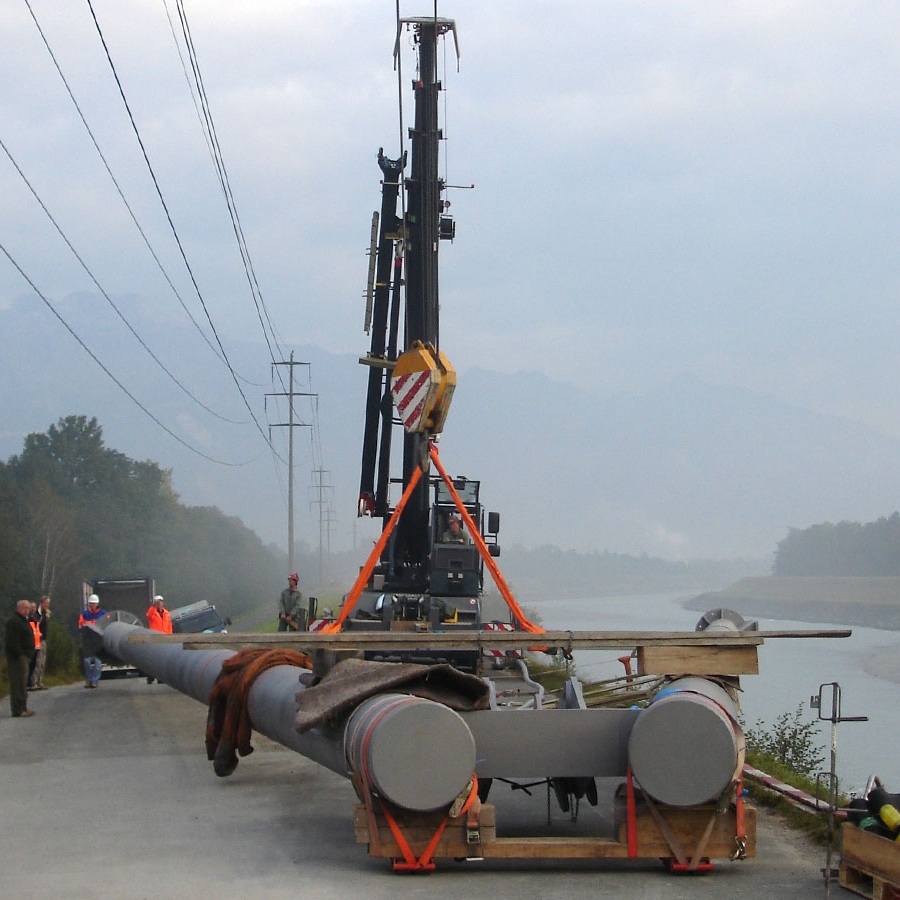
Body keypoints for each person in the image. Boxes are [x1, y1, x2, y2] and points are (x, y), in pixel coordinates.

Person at [4, 600, 37, 717]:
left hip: (24, 656)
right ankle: (18, 709)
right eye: (24, 608)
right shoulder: (15, 621)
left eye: (28, 608)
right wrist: (20, 655)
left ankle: (23, 707)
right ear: (18, 608)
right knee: (18, 683)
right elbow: (12, 641)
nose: (27, 610)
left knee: (23, 683)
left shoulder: (23, 620)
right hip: (17, 658)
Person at [78, 594, 107, 688]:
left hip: (99, 642)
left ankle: (94, 681)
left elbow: (107, 625)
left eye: (94, 604)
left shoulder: (103, 614)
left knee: (98, 663)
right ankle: (88, 679)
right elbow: (80, 626)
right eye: (91, 604)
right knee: (87, 662)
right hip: (88, 642)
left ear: (97, 604)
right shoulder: (85, 614)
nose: (92, 606)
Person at [145, 595, 172, 683]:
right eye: (157, 602)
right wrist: (153, 607)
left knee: (162, 660)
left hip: (164, 639)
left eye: (160, 602)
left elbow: (169, 626)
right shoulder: (152, 613)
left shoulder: (167, 613)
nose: (159, 604)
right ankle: (150, 677)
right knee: (154, 660)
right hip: (155, 639)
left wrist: (170, 637)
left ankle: (161, 678)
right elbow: (148, 615)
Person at [28, 596, 50, 691]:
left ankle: (39, 681)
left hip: (43, 639)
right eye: (45, 603)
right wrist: (38, 635)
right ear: (41, 603)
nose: (47, 605)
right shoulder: (38, 614)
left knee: (42, 662)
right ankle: (34, 682)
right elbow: (34, 626)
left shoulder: (45, 613)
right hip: (38, 639)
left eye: (48, 603)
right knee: (38, 661)